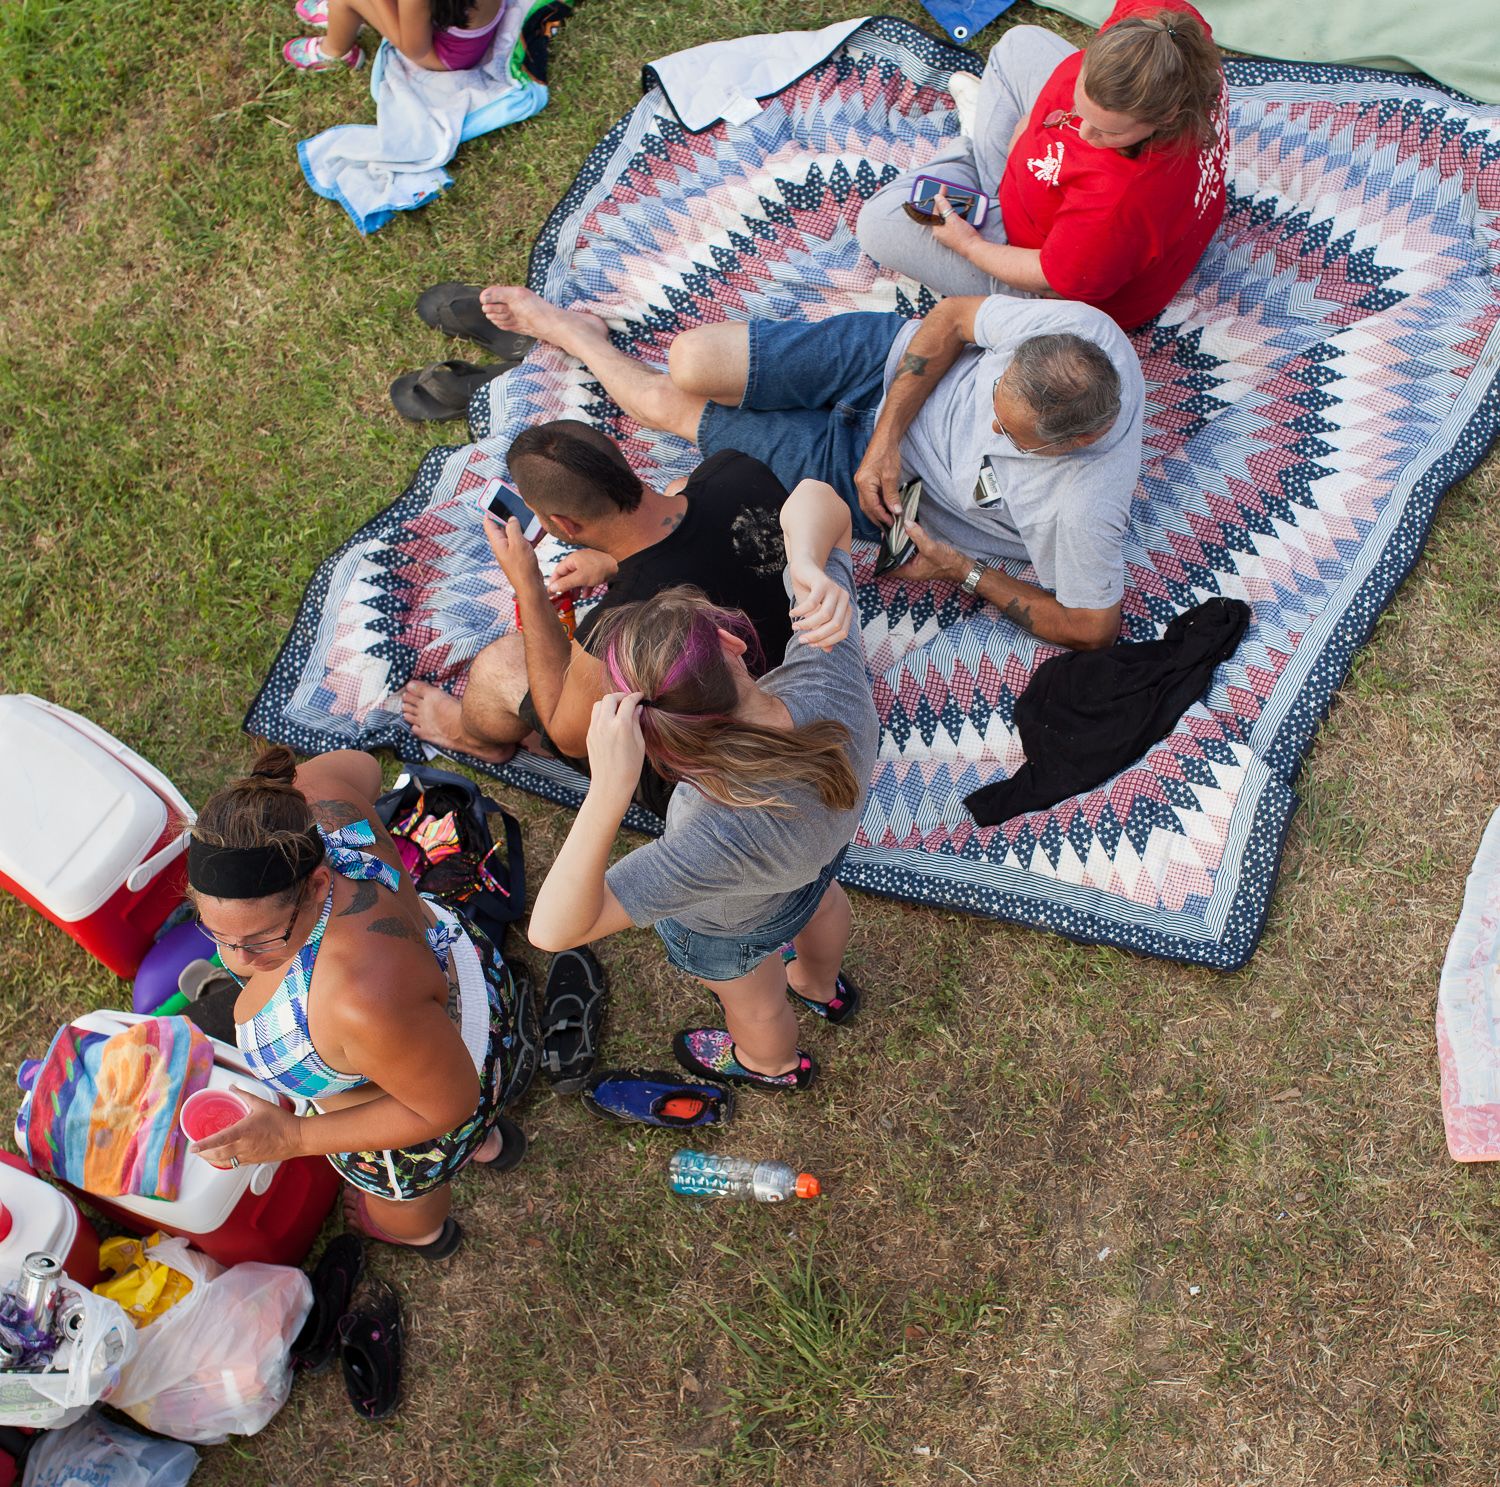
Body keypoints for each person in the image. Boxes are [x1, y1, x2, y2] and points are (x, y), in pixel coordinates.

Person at [474, 286, 1144, 651]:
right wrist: (887, 433)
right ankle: (585, 336)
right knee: (691, 360)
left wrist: (960, 569)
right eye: (994, 403)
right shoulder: (1083, 334)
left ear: (1068, 443)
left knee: (662, 404)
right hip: (886, 371)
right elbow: (954, 319)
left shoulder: (1082, 505)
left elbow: (1093, 626)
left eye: (1009, 435)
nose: (987, 425)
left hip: (879, 491)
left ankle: (571, 334)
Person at [526, 478, 878, 1092]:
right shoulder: (828, 670)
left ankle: (769, 1066)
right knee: (821, 903)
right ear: (733, 641)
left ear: (646, 722)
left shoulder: (711, 832)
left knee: (757, 1006)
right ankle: (823, 987)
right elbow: (818, 500)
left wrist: (608, 791)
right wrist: (807, 567)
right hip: (817, 863)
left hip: (731, 925)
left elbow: (553, 930)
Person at [183, 746, 532, 1261]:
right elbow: (365, 769)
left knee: (406, 1195)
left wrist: (295, 1136)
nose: (237, 958)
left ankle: (420, 1233)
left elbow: (449, 1104)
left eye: (260, 939)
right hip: (468, 985)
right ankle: (491, 1144)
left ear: (319, 884)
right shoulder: (314, 801)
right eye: (216, 931)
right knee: (432, 1072)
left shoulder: (355, 998)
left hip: (437, 1098)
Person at [401, 422, 797, 812]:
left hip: (717, 762)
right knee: (681, 487)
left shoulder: (621, 623)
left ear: (563, 525)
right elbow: (694, 546)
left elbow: (566, 734)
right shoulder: (738, 469)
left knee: (499, 664)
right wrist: (613, 561)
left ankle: (474, 738)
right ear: (614, 452)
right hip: (796, 671)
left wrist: (528, 584)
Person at [855, 1, 1226, 330]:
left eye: (1106, 132)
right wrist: (1034, 125)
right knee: (1022, 43)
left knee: (880, 222)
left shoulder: (1122, 203)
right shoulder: (1164, 28)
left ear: (1166, 118)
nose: (1082, 132)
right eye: (1079, 109)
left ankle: (971, 148)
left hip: (1051, 282)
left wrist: (969, 246)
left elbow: (1051, 279)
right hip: (1062, 207)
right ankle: (984, 157)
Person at [284, 0, 506, 73]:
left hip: (440, 54)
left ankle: (334, 51)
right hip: (452, 18)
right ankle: (346, 13)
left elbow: (414, 49)